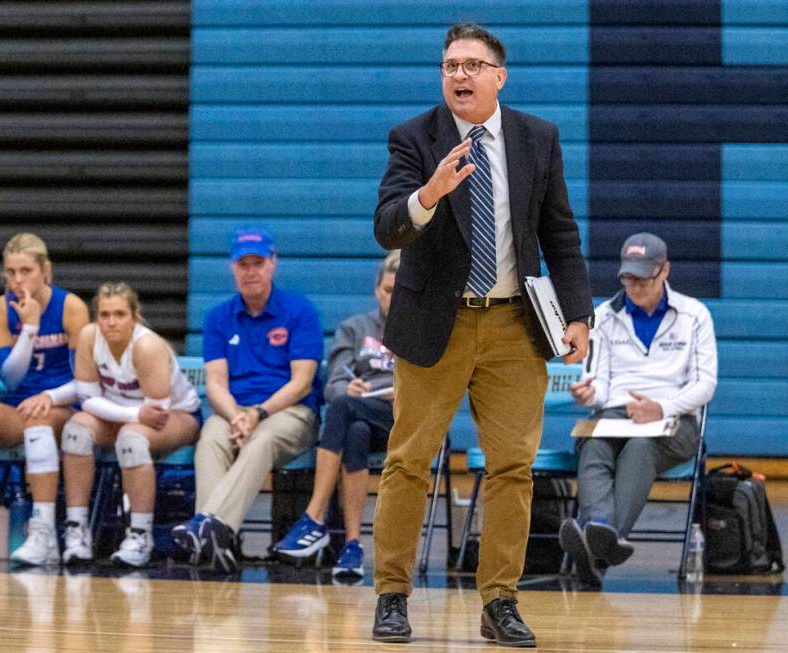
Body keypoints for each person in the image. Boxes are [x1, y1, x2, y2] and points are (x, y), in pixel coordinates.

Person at [371, 23, 594, 647]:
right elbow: (388, 227)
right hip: (433, 322)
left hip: (511, 326)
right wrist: (430, 193)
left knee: (512, 468)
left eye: (472, 65)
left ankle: (500, 602)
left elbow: (560, 234)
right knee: (409, 462)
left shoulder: (537, 139)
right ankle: (392, 595)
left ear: (500, 75)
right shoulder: (415, 137)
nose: (459, 75)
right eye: (449, 65)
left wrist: (579, 315)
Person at [559, 232, 717, 588]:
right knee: (593, 443)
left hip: (675, 421)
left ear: (665, 271)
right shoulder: (603, 315)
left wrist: (662, 407)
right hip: (616, 414)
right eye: (628, 277)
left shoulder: (695, 316)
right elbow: (599, 386)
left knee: (641, 448)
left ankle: (595, 543)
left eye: (643, 277)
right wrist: (588, 395)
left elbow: (705, 385)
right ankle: (601, 534)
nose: (634, 286)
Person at [172, 226, 323, 574]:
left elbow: (301, 384)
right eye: (243, 264)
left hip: (289, 411)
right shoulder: (219, 318)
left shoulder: (300, 312)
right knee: (210, 438)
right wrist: (237, 416)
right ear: (232, 268)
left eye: (258, 263)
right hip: (236, 410)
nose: (251, 271)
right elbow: (215, 383)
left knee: (262, 440)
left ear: (273, 264)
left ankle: (209, 528)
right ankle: (218, 544)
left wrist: (257, 414)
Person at [0, 233, 90, 565]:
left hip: (64, 402)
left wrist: (49, 396)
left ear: (45, 270)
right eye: (11, 272)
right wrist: (30, 328)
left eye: (26, 270)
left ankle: (44, 532)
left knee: (38, 421)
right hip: (19, 402)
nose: (18, 279)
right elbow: (10, 377)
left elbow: (85, 380)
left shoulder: (71, 307)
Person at [274, 251, 399, 578]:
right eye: (388, 290)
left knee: (344, 411)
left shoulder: (424, 330)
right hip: (361, 412)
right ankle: (353, 546)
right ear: (376, 290)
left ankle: (314, 518)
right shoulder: (355, 328)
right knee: (353, 427)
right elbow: (334, 383)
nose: (392, 298)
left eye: (400, 291)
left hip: (403, 420)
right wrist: (349, 388)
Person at [60, 282, 201, 567]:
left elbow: (157, 413)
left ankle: (140, 535)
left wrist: (131, 417)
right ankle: (77, 531)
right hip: (127, 416)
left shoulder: (147, 345)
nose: (111, 322)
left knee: (131, 440)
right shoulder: (89, 337)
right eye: (104, 314)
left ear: (134, 317)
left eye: (120, 314)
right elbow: (86, 398)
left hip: (177, 416)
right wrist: (132, 416)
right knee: (75, 430)